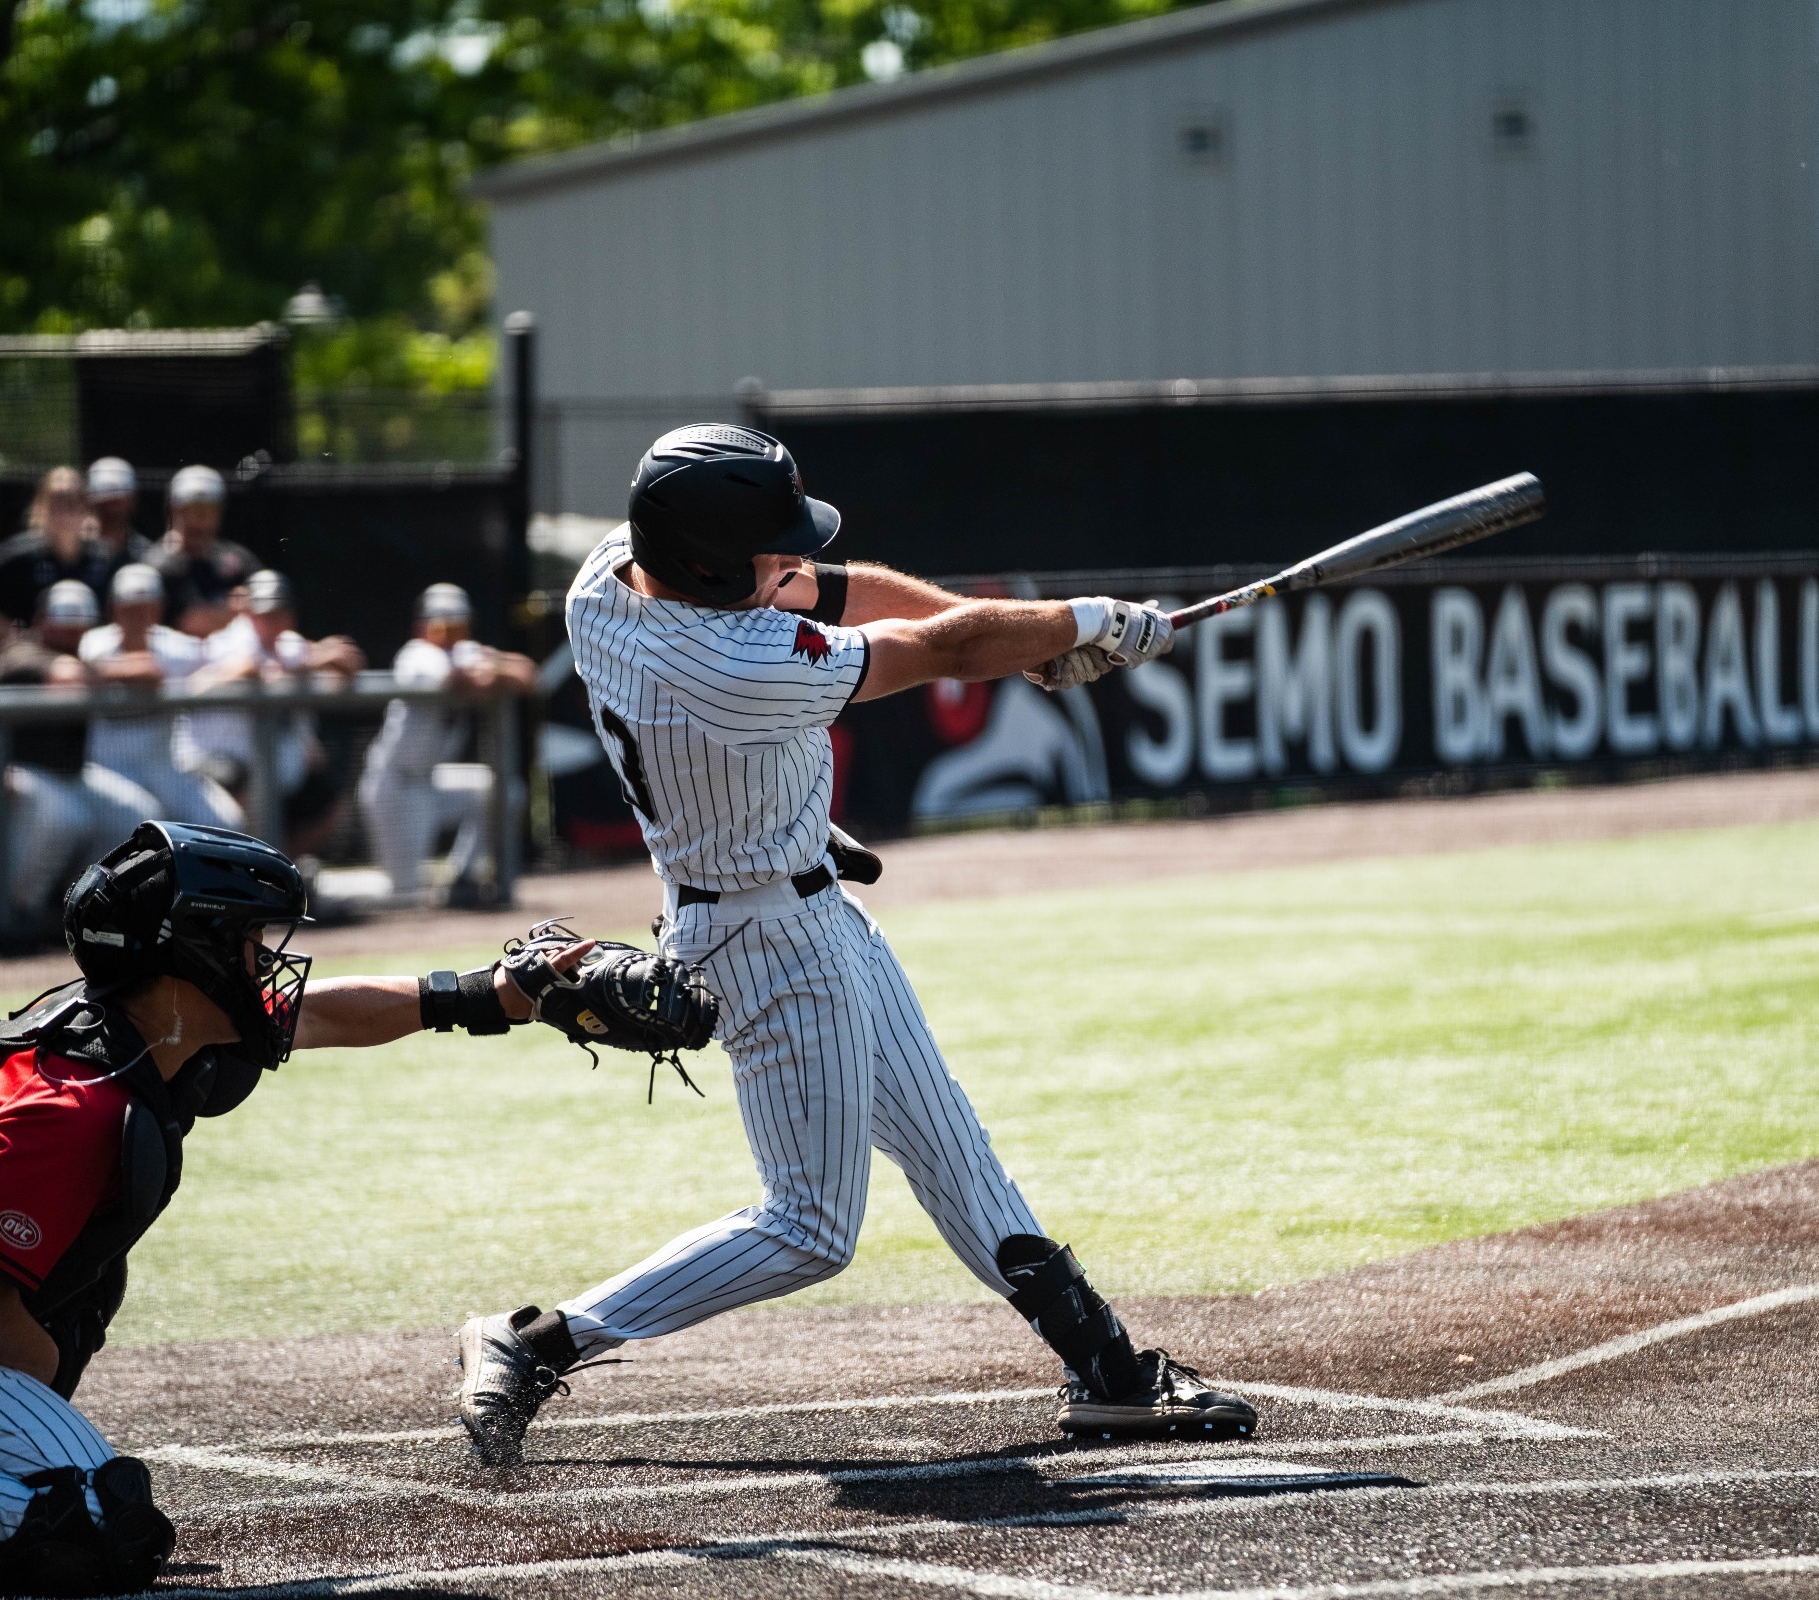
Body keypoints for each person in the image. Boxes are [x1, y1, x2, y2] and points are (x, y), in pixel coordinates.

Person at [456, 425, 1254, 1465]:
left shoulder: (611, 578)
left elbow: (835, 590)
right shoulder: (726, 659)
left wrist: (1038, 643)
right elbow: (942, 650)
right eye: (762, 551)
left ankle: (1103, 1367)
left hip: (796, 903)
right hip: (760, 938)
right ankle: (537, 1341)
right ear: (703, 561)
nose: (788, 562)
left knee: (952, 1152)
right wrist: (1085, 622)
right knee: (810, 1226)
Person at [0, 820, 599, 1595]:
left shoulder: (137, 1025)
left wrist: (488, 996)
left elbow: (322, 1014)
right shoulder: (74, 1105)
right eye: (251, 942)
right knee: (94, 1520)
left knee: (71, 1412)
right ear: (191, 955)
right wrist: (32, 1376)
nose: (271, 962)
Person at [0, 581, 158, 924]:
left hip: (70, 774)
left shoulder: (84, 659)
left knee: (136, 813)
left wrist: (110, 671)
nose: (69, 635)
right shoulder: (20, 650)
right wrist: (117, 671)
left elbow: (152, 671)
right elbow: (67, 677)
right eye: (62, 627)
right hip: (20, 770)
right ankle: (16, 908)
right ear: (42, 620)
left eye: (77, 628)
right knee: (65, 818)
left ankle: (89, 903)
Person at [357, 584, 533, 904]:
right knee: (405, 897)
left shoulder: (465, 650)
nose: (450, 633)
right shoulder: (416, 654)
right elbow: (458, 678)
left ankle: (463, 875)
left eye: (458, 625)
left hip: (432, 782)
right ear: (422, 626)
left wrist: (492, 667)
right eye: (442, 624)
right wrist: (488, 669)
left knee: (506, 791)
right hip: (395, 786)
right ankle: (338, 893)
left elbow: (527, 674)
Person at [193, 570, 363, 854]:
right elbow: (251, 668)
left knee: (332, 807)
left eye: (279, 613)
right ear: (248, 612)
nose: (272, 622)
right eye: (264, 614)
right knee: (240, 820)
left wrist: (330, 659)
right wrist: (314, 660)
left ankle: (278, 875)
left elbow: (349, 663)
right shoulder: (226, 641)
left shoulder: (290, 644)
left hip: (274, 767)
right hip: (216, 764)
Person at [78, 564, 242, 830]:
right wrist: (142, 671)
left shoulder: (176, 647)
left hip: (164, 767)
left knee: (225, 821)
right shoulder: (93, 644)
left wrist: (193, 687)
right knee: (140, 818)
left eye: (146, 608)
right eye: (129, 608)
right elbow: (78, 668)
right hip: (108, 769)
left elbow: (234, 661)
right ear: (114, 609)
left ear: (159, 609)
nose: (137, 617)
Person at [0, 468, 117, 655]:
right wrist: (1, 630)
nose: (65, 512)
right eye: (57, 502)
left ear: (86, 508)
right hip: (32, 656)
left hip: (94, 655)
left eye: (72, 502)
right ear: (40, 507)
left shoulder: (104, 560)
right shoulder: (17, 558)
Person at [153, 466, 256, 638]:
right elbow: (192, 623)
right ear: (173, 511)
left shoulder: (237, 559)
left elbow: (268, 609)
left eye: (208, 512)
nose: (200, 523)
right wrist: (237, 611)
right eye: (193, 512)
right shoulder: (158, 566)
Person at [84, 458, 150, 563]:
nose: (110, 509)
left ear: (132, 500)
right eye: (103, 501)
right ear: (89, 502)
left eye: (116, 501)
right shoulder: (73, 552)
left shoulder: (145, 554)